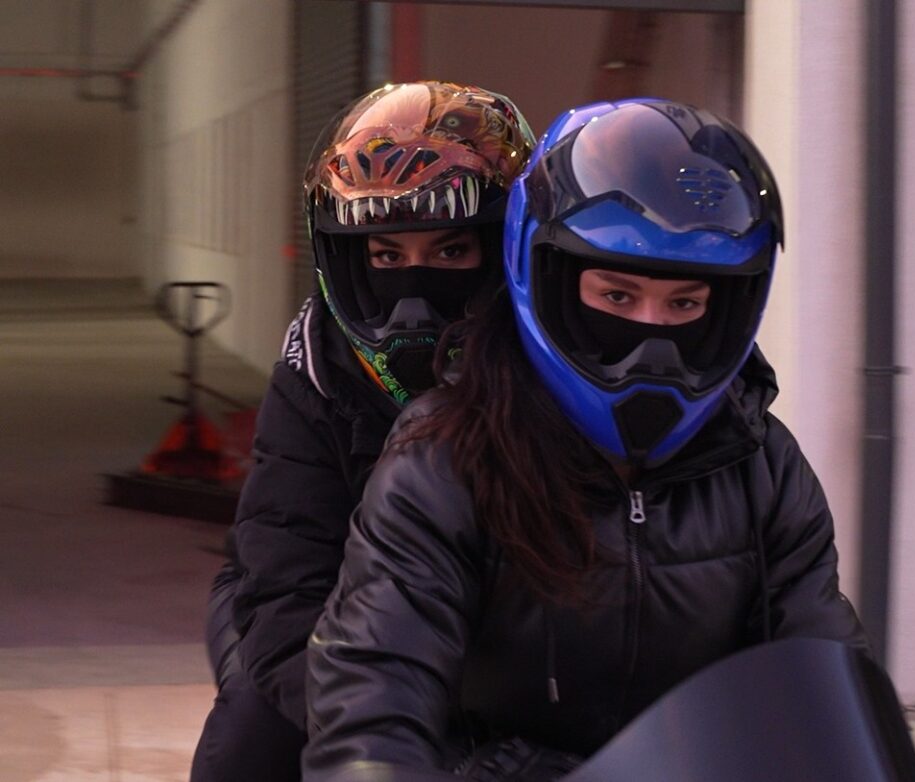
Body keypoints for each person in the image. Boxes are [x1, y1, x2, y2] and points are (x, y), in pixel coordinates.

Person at [303, 99, 872, 781]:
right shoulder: (443, 460)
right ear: (548, 280)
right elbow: (374, 695)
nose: (653, 342)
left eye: (685, 304)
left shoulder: (762, 467)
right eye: (618, 297)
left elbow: (824, 683)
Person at [189, 81, 534, 782]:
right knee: (251, 736)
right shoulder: (317, 368)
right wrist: (375, 740)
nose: (414, 290)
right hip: (308, 616)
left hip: (489, 642)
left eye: (449, 253)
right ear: (350, 258)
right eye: (386, 256)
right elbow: (283, 584)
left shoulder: (557, 366)